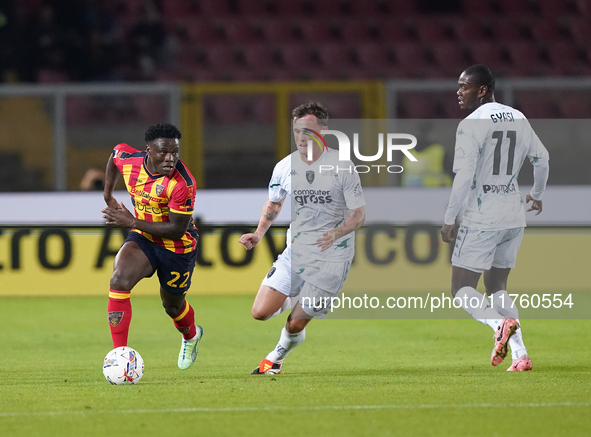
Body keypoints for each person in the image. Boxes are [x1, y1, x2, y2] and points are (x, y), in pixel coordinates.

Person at [239, 101, 366, 375]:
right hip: (296, 251)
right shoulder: (285, 167)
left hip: (333, 256)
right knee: (259, 312)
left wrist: (336, 232)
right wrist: (259, 233)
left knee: (295, 324)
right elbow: (274, 203)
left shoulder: (342, 167)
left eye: (308, 131)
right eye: (297, 131)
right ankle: (296, 295)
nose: (301, 137)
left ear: (323, 131)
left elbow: (358, 215)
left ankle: (275, 358)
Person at [441, 65, 550, 371]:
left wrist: (450, 217)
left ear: (483, 90)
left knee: (461, 289)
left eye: (464, 87)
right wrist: (537, 194)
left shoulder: (470, 124)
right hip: (513, 214)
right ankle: (520, 355)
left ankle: (497, 325)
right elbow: (542, 160)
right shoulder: (518, 116)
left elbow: (463, 176)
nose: (459, 92)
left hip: (482, 215)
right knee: (497, 286)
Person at [101, 122, 203, 370]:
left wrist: (131, 220)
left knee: (172, 306)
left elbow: (177, 229)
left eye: (175, 153)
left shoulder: (183, 184)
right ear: (148, 150)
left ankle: (191, 335)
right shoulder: (130, 160)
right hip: (144, 237)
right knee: (118, 280)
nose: (170, 158)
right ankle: (119, 356)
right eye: (163, 152)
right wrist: (108, 194)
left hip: (177, 246)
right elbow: (114, 156)